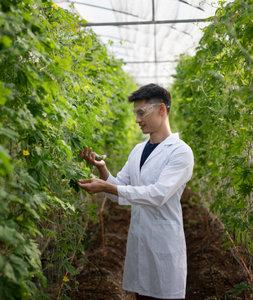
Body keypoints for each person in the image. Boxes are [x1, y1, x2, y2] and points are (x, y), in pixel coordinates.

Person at [78, 83, 194, 300]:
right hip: (140, 244)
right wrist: (102, 170)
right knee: (140, 295)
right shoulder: (138, 150)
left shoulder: (181, 152)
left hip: (163, 246)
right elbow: (117, 192)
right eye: (136, 113)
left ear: (161, 109)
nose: (137, 120)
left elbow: (158, 194)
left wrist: (107, 186)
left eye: (142, 113)